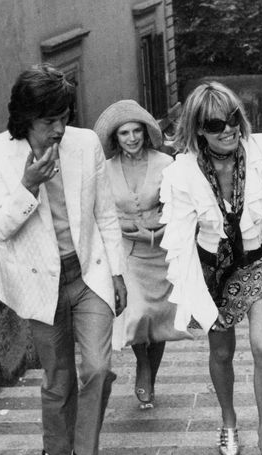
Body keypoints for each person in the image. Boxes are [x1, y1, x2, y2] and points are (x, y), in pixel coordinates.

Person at [0, 63, 127, 455]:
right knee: (58, 377)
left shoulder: (85, 145)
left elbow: (105, 214)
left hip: (89, 275)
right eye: (49, 120)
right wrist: (28, 185)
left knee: (98, 368)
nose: (60, 127)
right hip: (39, 284)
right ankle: (58, 448)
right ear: (25, 118)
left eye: (65, 116)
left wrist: (116, 273)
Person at [159, 81, 262, 455]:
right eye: (214, 124)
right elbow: (179, 241)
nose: (227, 130)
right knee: (222, 352)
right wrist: (193, 297)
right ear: (197, 130)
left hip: (260, 260)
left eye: (232, 120)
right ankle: (228, 421)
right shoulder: (182, 173)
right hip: (213, 270)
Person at [93, 100, 192, 410]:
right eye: (125, 133)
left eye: (137, 131)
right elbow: (101, 212)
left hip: (162, 249)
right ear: (115, 138)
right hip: (128, 252)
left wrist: (158, 231)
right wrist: (126, 228)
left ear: (146, 133)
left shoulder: (166, 163)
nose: (132, 138)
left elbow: (179, 207)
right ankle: (142, 365)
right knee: (137, 312)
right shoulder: (105, 170)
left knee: (159, 317)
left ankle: (151, 374)